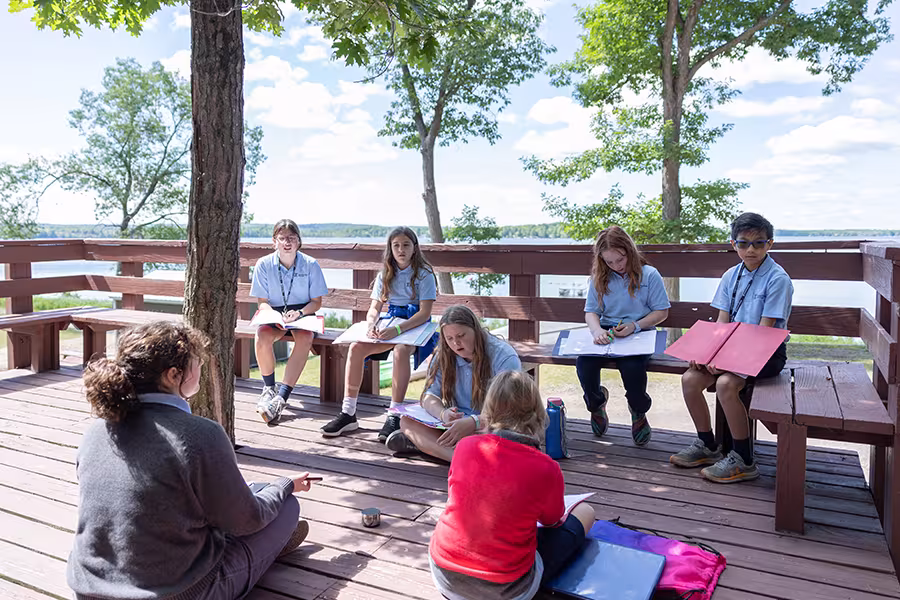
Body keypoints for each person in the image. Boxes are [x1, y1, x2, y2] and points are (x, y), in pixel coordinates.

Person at [67, 321, 315, 600]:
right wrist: (284, 486)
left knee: (254, 491)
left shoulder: (97, 431)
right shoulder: (201, 434)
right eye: (197, 363)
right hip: (178, 592)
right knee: (286, 508)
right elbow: (247, 520)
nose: (201, 369)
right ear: (174, 375)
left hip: (89, 589)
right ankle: (267, 550)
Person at [429, 370, 595, 600]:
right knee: (586, 512)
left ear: (488, 409)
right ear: (536, 412)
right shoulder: (546, 467)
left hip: (443, 574)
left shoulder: (465, 446)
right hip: (508, 590)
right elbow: (552, 520)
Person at [670, 212, 793, 483]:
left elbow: (764, 331)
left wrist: (726, 361)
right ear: (733, 244)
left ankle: (743, 459)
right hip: (730, 348)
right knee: (690, 378)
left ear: (770, 244)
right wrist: (708, 354)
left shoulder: (778, 279)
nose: (750, 249)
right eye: (743, 243)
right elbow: (722, 323)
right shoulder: (730, 275)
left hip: (767, 352)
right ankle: (708, 445)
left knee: (726, 383)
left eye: (758, 243)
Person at [321, 226, 438, 440]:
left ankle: (394, 414)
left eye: (406, 245)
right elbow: (375, 307)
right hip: (391, 322)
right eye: (396, 246)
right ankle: (348, 413)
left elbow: (424, 313)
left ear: (414, 248)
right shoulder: (385, 273)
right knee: (357, 347)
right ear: (390, 249)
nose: (401, 250)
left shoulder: (424, 273)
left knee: (401, 351)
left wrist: (398, 329)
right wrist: (371, 324)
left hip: (415, 326)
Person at [385, 304, 521, 462]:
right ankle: (462, 458)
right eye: (449, 338)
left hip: (491, 425)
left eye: (461, 336)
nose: (456, 343)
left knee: (504, 436)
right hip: (456, 427)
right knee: (407, 422)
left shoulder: (503, 357)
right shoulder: (444, 354)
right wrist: (443, 414)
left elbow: (510, 409)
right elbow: (429, 396)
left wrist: (474, 422)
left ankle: (430, 447)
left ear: (475, 330)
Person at [576, 226, 670, 446]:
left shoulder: (649, 275)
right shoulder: (599, 277)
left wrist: (635, 326)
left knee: (633, 368)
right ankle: (596, 405)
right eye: (609, 262)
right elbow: (591, 312)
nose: (616, 266)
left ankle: (638, 411)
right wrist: (597, 330)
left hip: (639, 331)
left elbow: (661, 312)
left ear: (630, 251)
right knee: (584, 364)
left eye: (620, 260)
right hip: (607, 331)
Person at [251, 219, 328, 423]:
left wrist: (300, 314)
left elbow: (316, 302)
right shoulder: (264, 264)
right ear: (274, 241)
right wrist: (275, 317)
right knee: (261, 335)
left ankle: (281, 397)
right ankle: (268, 388)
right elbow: (262, 302)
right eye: (282, 238)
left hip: (303, 313)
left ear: (299, 241)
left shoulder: (310, 264)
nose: (287, 242)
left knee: (304, 338)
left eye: (292, 238)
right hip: (274, 313)